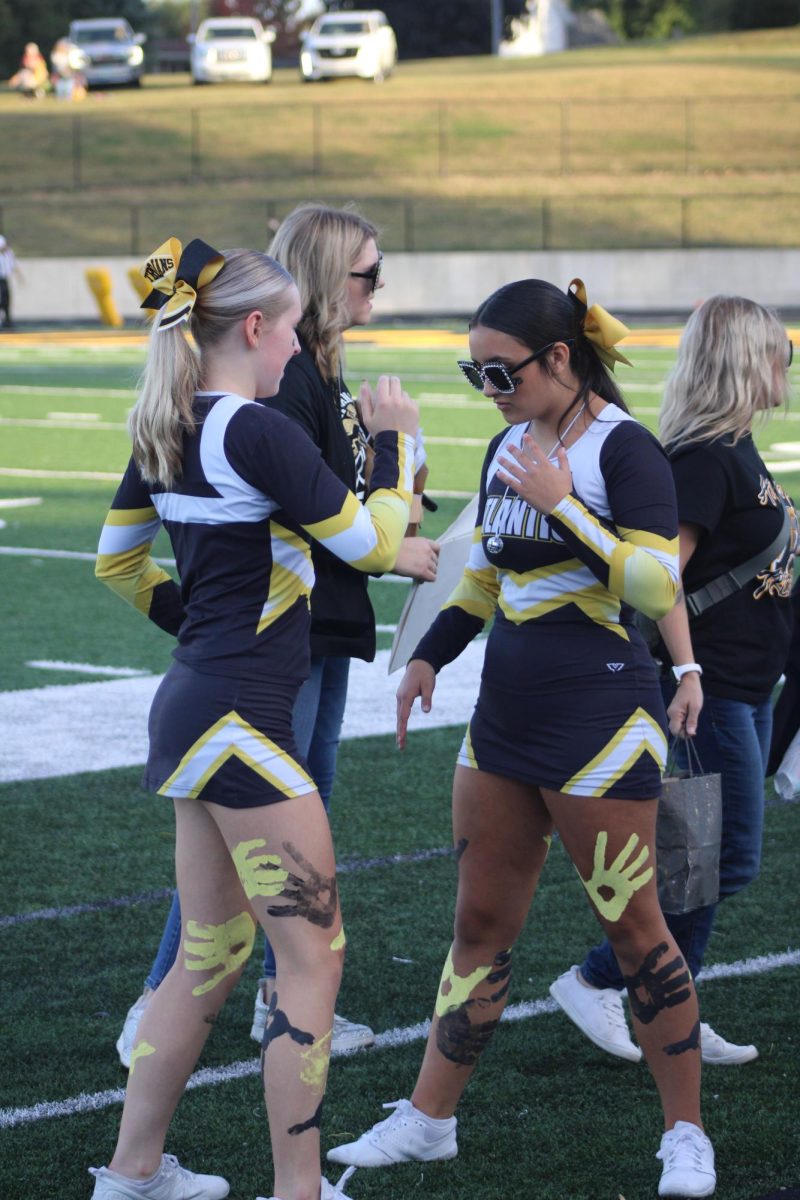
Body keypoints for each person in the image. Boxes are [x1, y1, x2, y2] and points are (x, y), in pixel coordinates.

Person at [326, 276, 717, 1199]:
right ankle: (428, 1121)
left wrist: (564, 505)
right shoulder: (510, 444)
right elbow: (486, 582)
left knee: (637, 935)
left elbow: (657, 587)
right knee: (478, 926)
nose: (490, 390)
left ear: (559, 359)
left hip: (601, 721)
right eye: (476, 373)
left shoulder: (628, 453)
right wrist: (430, 656)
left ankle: (686, 1134)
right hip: (504, 720)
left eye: (502, 371)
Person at [91, 234, 418, 1200]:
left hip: (194, 705)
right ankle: (300, 1190)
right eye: (291, 330)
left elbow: (118, 564)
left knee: (213, 950)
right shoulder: (257, 426)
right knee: (311, 959)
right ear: (256, 326)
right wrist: (395, 446)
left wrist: (210, 634)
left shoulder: (166, 420)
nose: (297, 350)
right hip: (239, 717)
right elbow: (368, 543)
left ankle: (132, 1173)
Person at [548, 293, 797, 1068]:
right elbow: (658, 583)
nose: (788, 359)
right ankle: (604, 982)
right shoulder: (702, 460)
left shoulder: (737, 447)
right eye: (777, 347)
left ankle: (673, 1004)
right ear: (744, 358)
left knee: (710, 858)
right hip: (708, 690)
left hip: (747, 687)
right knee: (718, 859)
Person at [0, 235, 18, 329]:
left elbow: (13, 265)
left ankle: (7, 320)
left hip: (4, 278)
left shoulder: (8, 253)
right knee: (2, 298)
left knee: (6, 298)